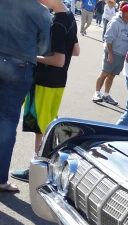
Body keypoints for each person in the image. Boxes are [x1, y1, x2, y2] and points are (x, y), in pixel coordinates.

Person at [11, 0, 80, 183]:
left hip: (45, 81)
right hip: (58, 82)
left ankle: (37, 170)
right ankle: (48, 166)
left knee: (41, 128)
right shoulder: (69, 17)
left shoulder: (56, 22)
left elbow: (58, 60)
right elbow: (75, 50)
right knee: (47, 125)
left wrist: (29, 56)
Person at [0, 0, 52, 193]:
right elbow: (45, 46)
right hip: (20, 65)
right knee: (7, 120)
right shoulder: (42, 11)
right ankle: (0, 179)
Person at [93, 4, 128, 105]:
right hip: (112, 53)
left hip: (121, 56)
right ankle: (96, 93)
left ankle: (106, 95)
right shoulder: (115, 23)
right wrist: (110, 53)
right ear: (126, 14)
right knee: (104, 73)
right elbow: (108, 39)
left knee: (112, 75)